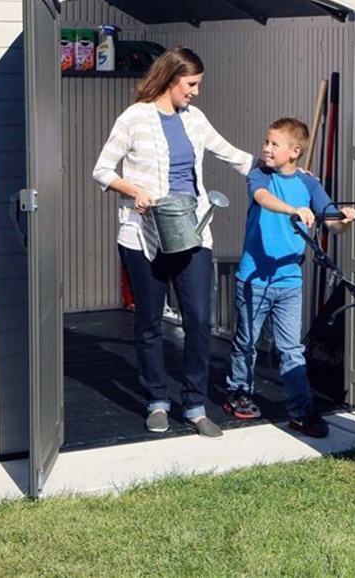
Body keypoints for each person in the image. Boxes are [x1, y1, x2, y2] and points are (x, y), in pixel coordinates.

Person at [93, 47, 254, 438]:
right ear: (170, 78)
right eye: (191, 84)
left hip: (193, 233)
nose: (196, 92)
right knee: (148, 323)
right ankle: (157, 401)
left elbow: (233, 155)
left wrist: (286, 170)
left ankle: (195, 405)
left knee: (198, 320)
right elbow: (101, 170)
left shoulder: (195, 120)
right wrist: (133, 189)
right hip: (143, 236)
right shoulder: (134, 118)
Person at [224, 117, 355, 437]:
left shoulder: (309, 185)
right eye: (266, 142)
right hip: (253, 280)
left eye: (274, 144)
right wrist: (293, 210)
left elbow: (332, 224)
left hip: (289, 283)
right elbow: (262, 199)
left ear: (295, 151)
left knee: (291, 350)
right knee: (246, 343)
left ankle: (301, 409)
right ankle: (238, 392)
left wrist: (346, 219)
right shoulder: (260, 175)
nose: (266, 149)